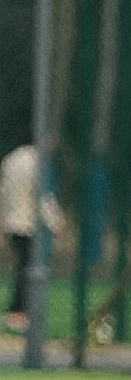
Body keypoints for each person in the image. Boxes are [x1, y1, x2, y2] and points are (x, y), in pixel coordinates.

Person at [2, 140, 60, 335]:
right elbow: (41, 195)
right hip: (28, 224)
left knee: (23, 267)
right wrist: (55, 220)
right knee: (29, 268)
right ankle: (19, 313)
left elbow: (4, 193)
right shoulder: (36, 162)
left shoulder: (11, 159)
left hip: (12, 222)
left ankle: (17, 312)